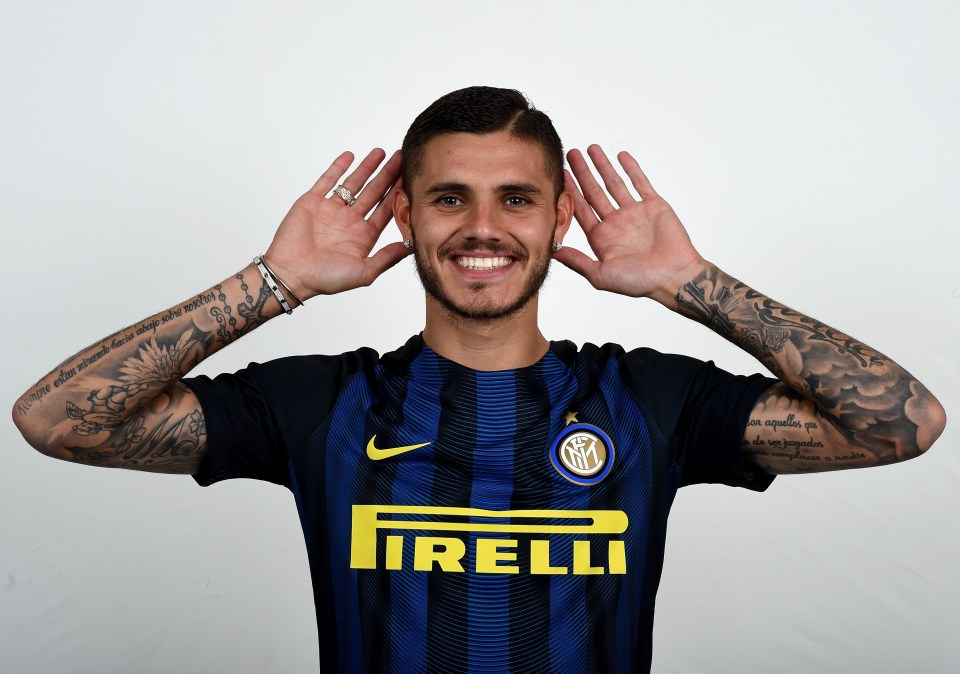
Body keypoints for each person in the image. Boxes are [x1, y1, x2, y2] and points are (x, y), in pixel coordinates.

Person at [12, 86, 946, 673]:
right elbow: (56, 420)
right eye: (450, 197)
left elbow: (902, 425)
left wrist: (686, 283)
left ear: (558, 216)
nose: (482, 227)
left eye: (517, 198)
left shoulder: (654, 401)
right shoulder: (318, 403)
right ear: (407, 215)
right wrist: (277, 282)